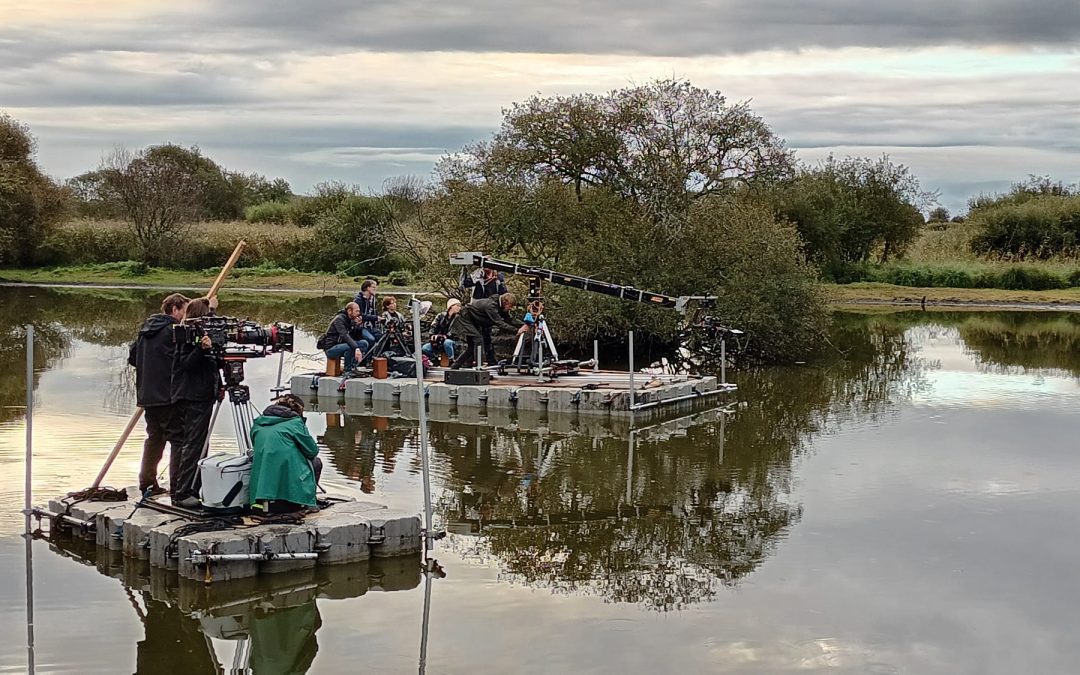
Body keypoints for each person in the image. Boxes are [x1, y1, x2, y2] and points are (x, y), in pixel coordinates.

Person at [127, 292, 189, 495]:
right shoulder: (173, 331)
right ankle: (178, 486)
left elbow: (133, 358)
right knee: (178, 439)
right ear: (175, 309)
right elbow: (182, 360)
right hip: (168, 395)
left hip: (148, 396)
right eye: (184, 311)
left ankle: (147, 482)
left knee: (154, 439)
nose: (186, 317)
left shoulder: (145, 331)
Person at [170, 297, 222, 508]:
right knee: (193, 445)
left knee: (197, 444)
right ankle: (182, 493)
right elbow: (186, 365)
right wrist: (201, 349)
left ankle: (188, 488)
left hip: (200, 395)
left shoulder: (201, 334)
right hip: (193, 397)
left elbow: (212, 362)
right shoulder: (187, 335)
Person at [249, 394, 322, 513]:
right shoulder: (295, 423)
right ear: (299, 411)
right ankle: (308, 503)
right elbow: (312, 451)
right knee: (316, 463)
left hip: (262, 488)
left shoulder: (258, 423)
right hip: (288, 486)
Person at [450, 292, 528, 369]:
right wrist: (516, 331)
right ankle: (479, 366)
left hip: (474, 321)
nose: (510, 309)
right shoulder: (491, 306)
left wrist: (523, 325)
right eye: (510, 306)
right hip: (465, 318)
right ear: (505, 303)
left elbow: (508, 319)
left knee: (475, 345)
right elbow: (498, 322)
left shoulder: (499, 306)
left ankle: (456, 365)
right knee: (478, 340)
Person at [318, 302, 369, 373]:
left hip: (342, 345)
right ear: (349, 311)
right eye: (356, 311)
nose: (358, 313)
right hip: (331, 348)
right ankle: (347, 370)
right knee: (350, 346)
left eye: (359, 311)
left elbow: (356, 337)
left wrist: (357, 326)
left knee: (364, 343)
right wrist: (356, 348)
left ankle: (353, 367)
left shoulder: (351, 319)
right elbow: (344, 335)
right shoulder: (339, 319)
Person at [422, 298, 461, 363]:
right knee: (425, 348)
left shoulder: (458, 318)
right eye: (457, 305)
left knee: (447, 343)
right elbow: (433, 326)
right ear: (451, 306)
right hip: (439, 340)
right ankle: (434, 359)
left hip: (453, 341)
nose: (459, 307)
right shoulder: (440, 316)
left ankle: (452, 360)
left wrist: (444, 337)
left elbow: (455, 332)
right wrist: (433, 336)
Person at [353, 278, 381, 344]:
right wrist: (375, 318)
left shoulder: (372, 300)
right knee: (371, 339)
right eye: (373, 287)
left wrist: (379, 318)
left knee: (382, 336)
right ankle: (368, 354)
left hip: (370, 326)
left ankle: (379, 353)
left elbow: (373, 312)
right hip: (361, 327)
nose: (375, 289)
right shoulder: (359, 300)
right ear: (367, 288)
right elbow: (360, 315)